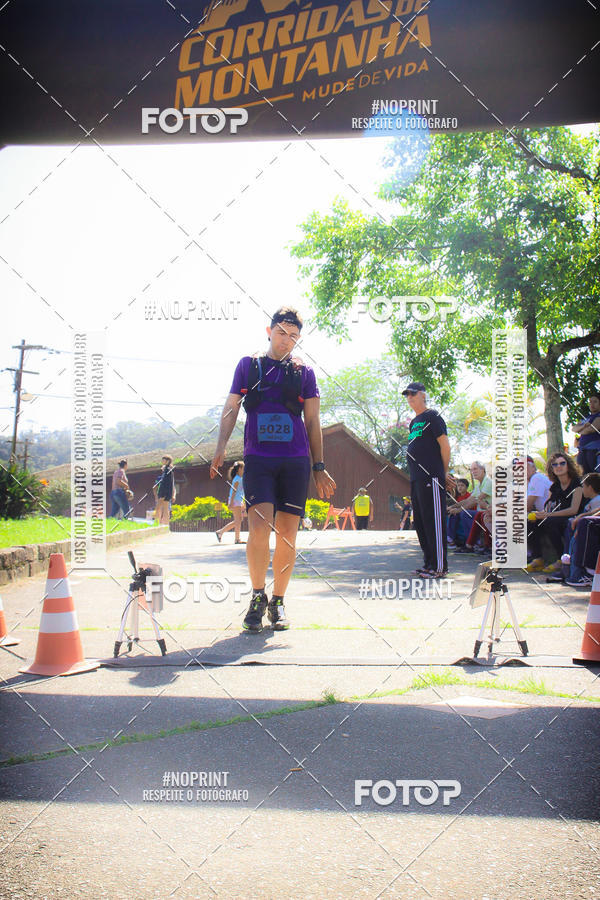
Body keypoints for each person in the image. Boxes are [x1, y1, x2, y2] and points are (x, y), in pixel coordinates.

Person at [210, 306, 336, 632]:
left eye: (293, 336)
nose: (286, 341)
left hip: (294, 462)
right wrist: (221, 446)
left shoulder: (304, 373)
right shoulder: (248, 367)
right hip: (259, 460)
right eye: (281, 333)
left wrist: (318, 466)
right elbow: (230, 408)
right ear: (269, 331)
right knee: (259, 528)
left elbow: (313, 421)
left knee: (288, 535)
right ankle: (257, 596)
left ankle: (278, 601)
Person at [403, 381, 454, 579]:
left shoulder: (433, 416)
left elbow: (445, 445)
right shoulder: (414, 422)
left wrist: (443, 472)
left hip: (431, 477)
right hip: (416, 479)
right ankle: (429, 563)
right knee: (422, 523)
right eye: (407, 395)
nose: (410, 397)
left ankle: (440, 567)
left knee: (434, 521)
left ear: (423, 395)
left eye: (413, 394)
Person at [526, 452, 585, 573]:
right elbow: (548, 508)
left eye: (562, 463)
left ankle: (560, 559)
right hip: (555, 517)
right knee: (529, 521)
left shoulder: (576, 483)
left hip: (572, 517)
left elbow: (574, 509)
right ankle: (538, 558)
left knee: (549, 522)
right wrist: (540, 514)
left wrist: (548, 515)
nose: (559, 466)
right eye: (555, 464)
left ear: (568, 465)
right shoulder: (554, 486)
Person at [560, 473, 600, 587]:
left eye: (583, 486)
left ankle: (586, 572)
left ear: (590, 488)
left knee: (585, 523)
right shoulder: (593, 501)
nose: (582, 489)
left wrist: (582, 519)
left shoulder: (597, 499)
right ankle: (568, 566)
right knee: (572, 523)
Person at [454, 462, 492, 553]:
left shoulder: (488, 482)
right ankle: (461, 542)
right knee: (456, 514)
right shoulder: (478, 484)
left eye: (475, 469)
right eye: (471, 470)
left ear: (483, 470)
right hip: (482, 512)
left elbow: (476, 500)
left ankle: (472, 544)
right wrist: (453, 507)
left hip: (490, 511)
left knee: (465, 513)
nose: (473, 472)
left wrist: (459, 510)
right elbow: (468, 500)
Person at [216, 461, 247, 544]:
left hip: (238, 501)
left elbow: (240, 492)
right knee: (238, 520)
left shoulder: (240, 478)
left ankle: (220, 532)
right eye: (243, 468)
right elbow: (234, 491)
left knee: (239, 520)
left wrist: (242, 502)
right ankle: (237, 539)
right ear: (239, 469)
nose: (244, 469)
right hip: (235, 501)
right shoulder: (237, 479)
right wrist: (231, 502)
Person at [574, 392, 600, 474]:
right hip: (582, 450)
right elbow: (574, 428)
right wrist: (583, 426)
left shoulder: (598, 416)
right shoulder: (587, 418)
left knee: (594, 474)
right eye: (590, 402)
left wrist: (581, 430)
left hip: (593, 450)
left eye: (595, 401)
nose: (592, 404)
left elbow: (592, 429)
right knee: (583, 475)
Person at [447, 478, 471, 547]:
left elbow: (468, 506)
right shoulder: (457, 497)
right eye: (458, 485)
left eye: (462, 485)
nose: (460, 487)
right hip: (458, 514)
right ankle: (450, 537)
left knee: (454, 515)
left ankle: (450, 538)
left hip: (466, 514)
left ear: (466, 487)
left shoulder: (468, 496)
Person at [153, 455, 176, 525]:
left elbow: (165, 483)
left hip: (164, 492)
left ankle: (157, 523)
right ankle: (166, 524)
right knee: (166, 509)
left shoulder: (167, 470)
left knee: (158, 507)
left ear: (167, 461)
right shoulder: (170, 470)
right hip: (168, 492)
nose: (162, 462)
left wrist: (162, 493)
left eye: (163, 460)